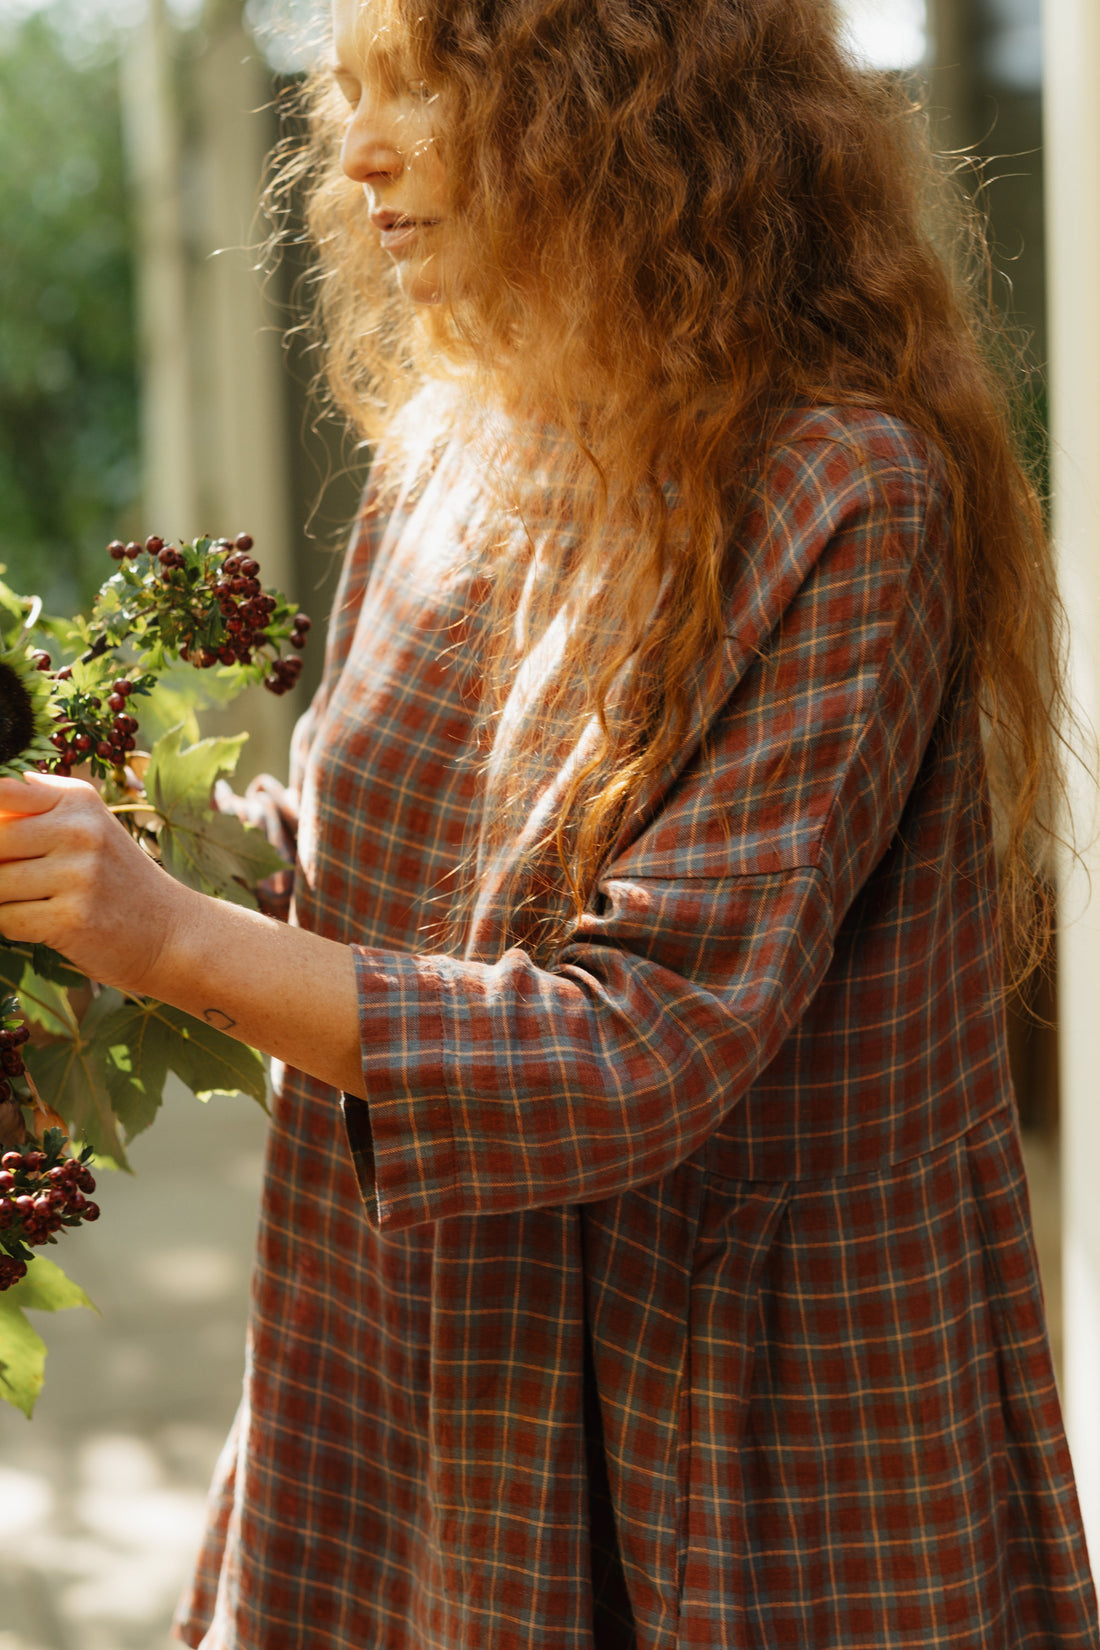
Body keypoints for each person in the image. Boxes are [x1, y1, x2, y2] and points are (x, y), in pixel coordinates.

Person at [0, 0, 1097, 1643]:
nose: (358, 151)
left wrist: (165, 935)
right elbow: (379, 873)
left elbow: (643, 1040)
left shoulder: (853, 497)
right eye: (350, 95)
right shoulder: (451, 445)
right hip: (418, 1368)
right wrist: (158, 850)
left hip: (740, 1426)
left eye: (423, 92)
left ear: (621, 111)